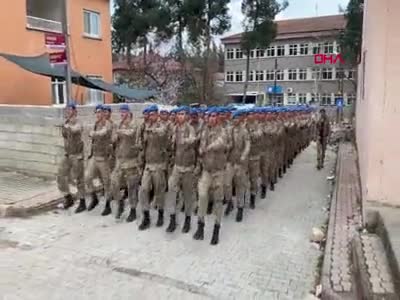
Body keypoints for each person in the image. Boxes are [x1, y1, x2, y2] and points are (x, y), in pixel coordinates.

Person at [193, 108, 228, 245]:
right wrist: (201, 151)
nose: (211, 118)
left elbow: (221, 142)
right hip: (206, 170)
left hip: (218, 172)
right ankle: (200, 226)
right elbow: (201, 147)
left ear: (218, 117)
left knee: (218, 201)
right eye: (209, 116)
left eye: (214, 116)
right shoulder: (204, 131)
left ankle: (216, 230)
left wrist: (210, 147)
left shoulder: (223, 131)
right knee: (202, 195)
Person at [166, 106, 197, 233]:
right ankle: (172, 218)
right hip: (177, 166)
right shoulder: (175, 128)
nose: (180, 116)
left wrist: (185, 141)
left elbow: (193, 139)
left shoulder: (190, 128)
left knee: (187, 194)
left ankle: (188, 219)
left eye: (183, 114)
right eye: (179, 114)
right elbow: (171, 144)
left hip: (188, 167)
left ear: (187, 116)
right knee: (172, 190)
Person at [111, 104, 143, 222]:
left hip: (131, 160)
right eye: (121, 113)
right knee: (114, 182)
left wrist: (119, 131)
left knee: (132, 187)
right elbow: (114, 138)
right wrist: (116, 134)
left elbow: (130, 134)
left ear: (129, 113)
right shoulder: (119, 124)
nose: (122, 115)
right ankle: (120, 203)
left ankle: (133, 210)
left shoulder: (134, 124)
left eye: (124, 112)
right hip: (120, 160)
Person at [138, 105, 168, 230]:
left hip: (159, 164)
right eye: (150, 115)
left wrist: (152, 130)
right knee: (144, 190)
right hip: (148, 164)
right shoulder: (145, 127)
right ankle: (146, 216)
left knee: (159, 191)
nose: (151, 116)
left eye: (153, 114)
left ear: (157, 114)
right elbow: (143, 143)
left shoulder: (162, 125)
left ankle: (161, 213)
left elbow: (162, 133)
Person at [57, 103, 86, 212]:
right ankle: (68, 198)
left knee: (79, 179)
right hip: (68, 154)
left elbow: (75, 130)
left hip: (77, 155)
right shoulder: (66, 123)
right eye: (67, 110)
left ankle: (82, 201)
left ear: (75, 111)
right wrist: (65, 125)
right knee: (60, 175)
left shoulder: (78, 123)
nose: (68, 112)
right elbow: (65, 135)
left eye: (70, 110)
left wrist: (67, 126)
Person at [85, 104, 113, 215]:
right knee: (87, 177)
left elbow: (103, 133)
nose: (98, 114)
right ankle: (94, 197)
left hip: (104, 158)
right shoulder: (95, 124)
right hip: (94, 156)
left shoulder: (108, 124)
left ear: (103, 113)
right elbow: (90, 135)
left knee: (106, 182)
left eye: (100, 112)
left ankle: (108, 204)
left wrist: (94, 134)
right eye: (96, 112)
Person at [224, 110, 250, 222]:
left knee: (240, 185)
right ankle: (229, 202)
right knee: (227, 184)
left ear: (240, 119)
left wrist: (244, 155)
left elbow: (248, 144)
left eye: (237, 118)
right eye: (234, 118)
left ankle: (240, 207)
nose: (235, 120)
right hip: (229, 161)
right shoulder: (227, 130)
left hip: (240, 162)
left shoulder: (244, 131)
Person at [246, 109, 263, 209]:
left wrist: (251, 133)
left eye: (252, 114)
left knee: (254, 178)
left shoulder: (258, 125)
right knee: (243, 180)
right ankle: (242, 198)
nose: (250, 116)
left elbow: (259, 135)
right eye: (249, 115)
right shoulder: (244, 125)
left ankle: (252, 198)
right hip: (244, 158)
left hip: (255, 156)